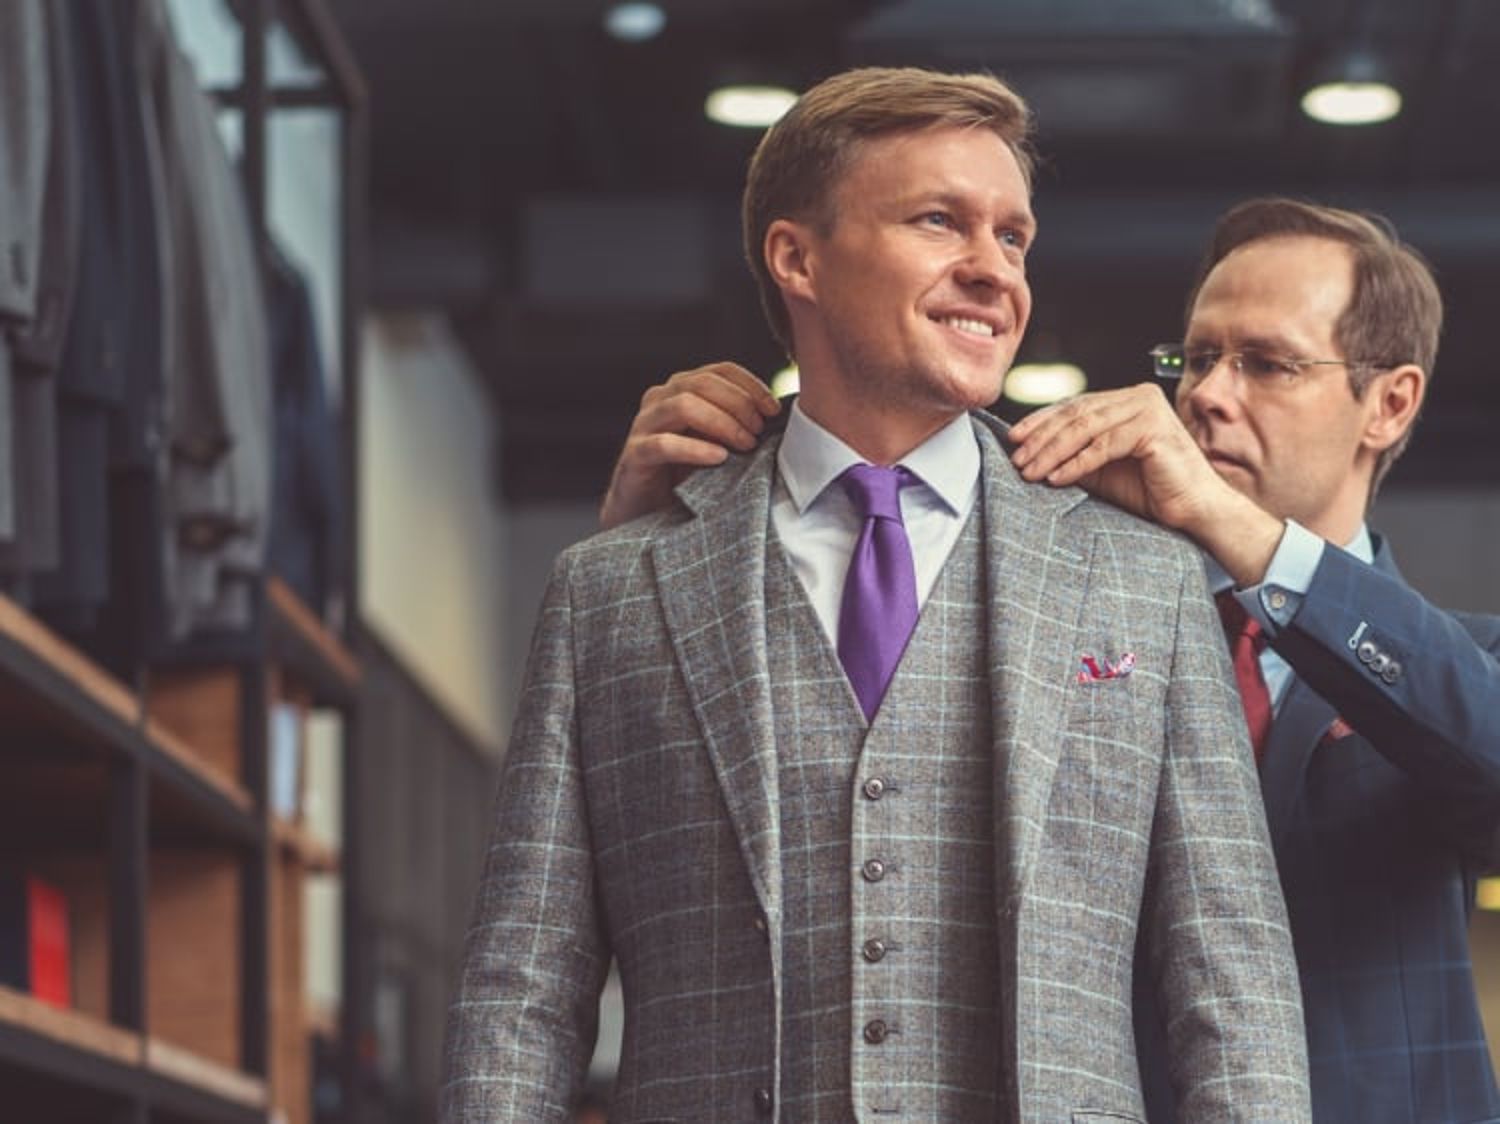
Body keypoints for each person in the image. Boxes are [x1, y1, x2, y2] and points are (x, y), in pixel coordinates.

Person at [442, 67, 1310, 1122]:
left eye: (1013, 237)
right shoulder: (610, 591)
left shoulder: (1144, 579)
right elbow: (524, 992)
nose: (993, 270)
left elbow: (1233, 985)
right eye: (940, 221)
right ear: (797, 258)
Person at [606, 196, 1500, 1122]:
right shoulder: (1078, 635)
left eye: (1267, 364)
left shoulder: (1464, 663)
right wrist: (648, 556)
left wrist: (1235, 531)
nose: (1205, 394)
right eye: (1196, 359)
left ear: (1390, 403)